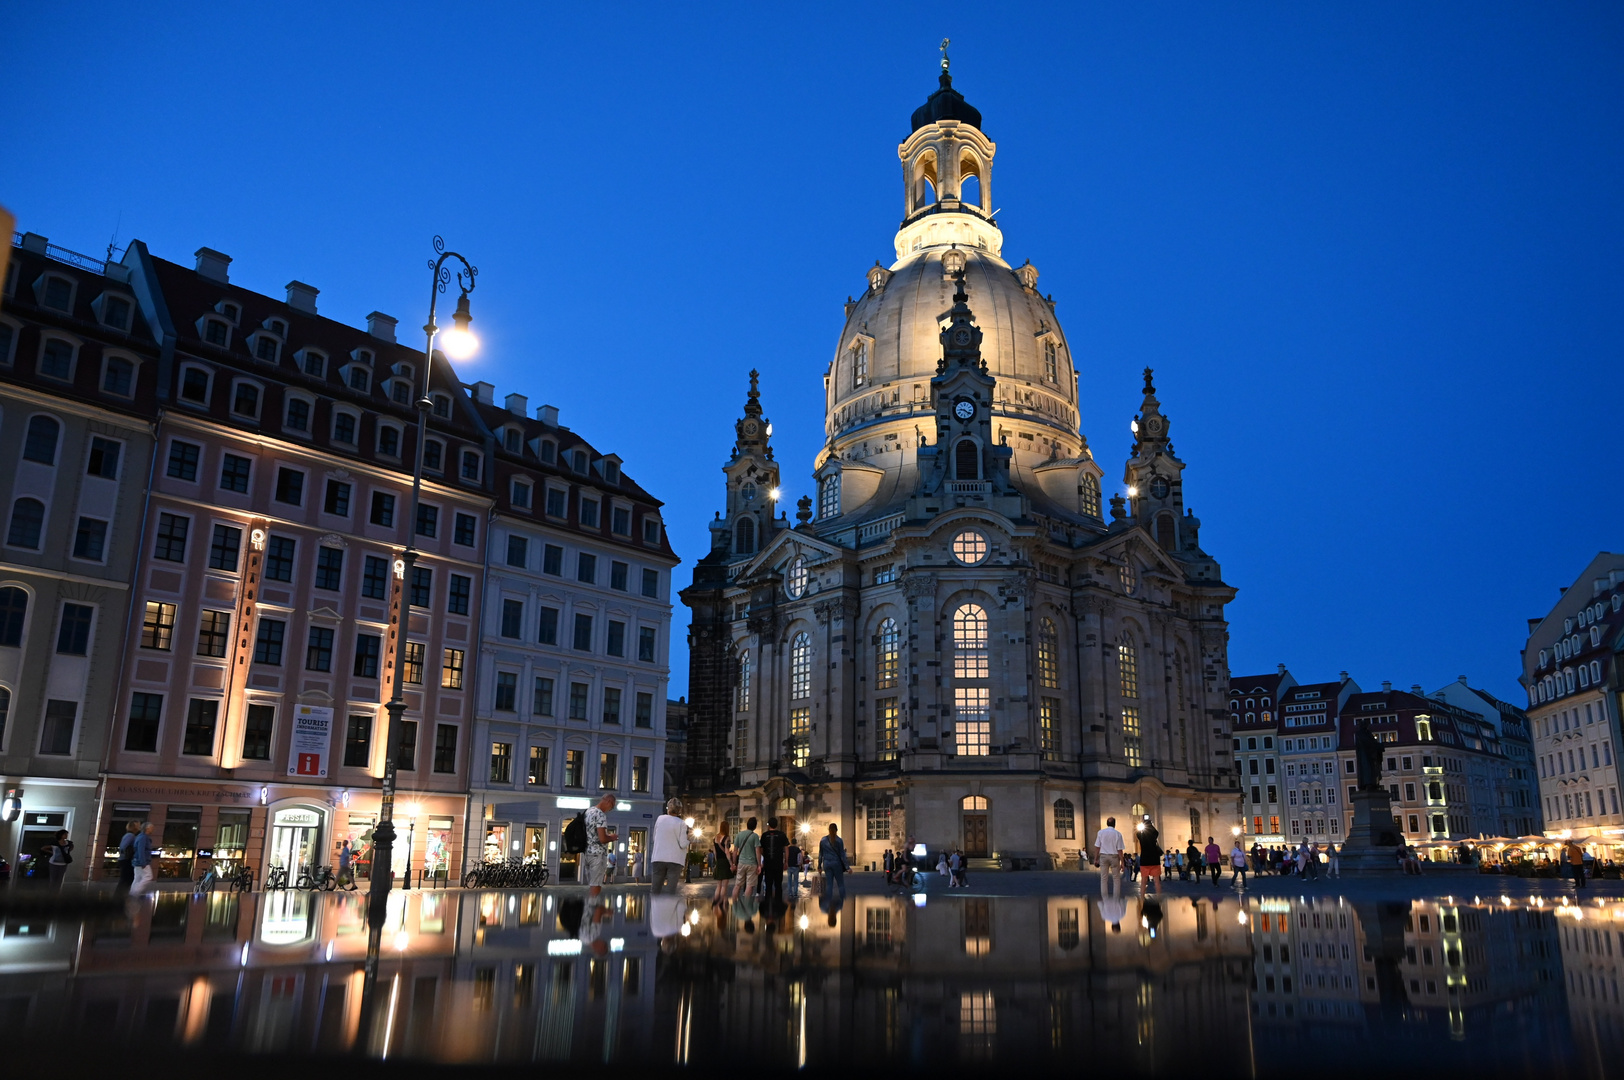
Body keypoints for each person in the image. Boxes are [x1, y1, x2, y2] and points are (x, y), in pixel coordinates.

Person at [650, 798, 691, 894]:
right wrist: (689, 839)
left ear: (668, 808)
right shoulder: (682, 823)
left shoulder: (660, 819)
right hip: (674, 859)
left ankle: (654, 908)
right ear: (679, 810)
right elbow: (682, 844)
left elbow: (654, 838)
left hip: (658, 857)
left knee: (655, 889)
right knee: (670, 891)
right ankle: (668, 908)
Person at [583, 791, 618, 898]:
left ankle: (591, 910)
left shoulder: (588, 811)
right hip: (597, 854)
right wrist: (612, 837)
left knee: (592, 883)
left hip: (587, 852)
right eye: (611, 806)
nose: (610, 810)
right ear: (608, 801)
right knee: (596, 885)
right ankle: (594, 908)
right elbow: (602, 839)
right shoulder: (600, 815)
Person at [759, 818, 788, 902]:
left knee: (768, 884)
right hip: (778, 863)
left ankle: (768, 904)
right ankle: (778, 904)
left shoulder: (764, 835)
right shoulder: (782, 834)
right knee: (778, 884)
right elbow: (786, 849)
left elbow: (760, 849)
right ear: (777, 825)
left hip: (768, 864)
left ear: (769, 825)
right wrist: (786, 861)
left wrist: (764, 856)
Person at [733, 816, 762, 899]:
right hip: (752, 864)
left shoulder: (739, 834)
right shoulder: (755, 836)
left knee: (737, 885)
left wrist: (734, 863)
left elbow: (735, 851)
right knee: (750, 885)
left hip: (741, 863)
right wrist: (759, 864)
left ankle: (735, 905)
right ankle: (746, 905)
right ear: (755, 826)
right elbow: (757, 851)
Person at [819, 823, 849, 899]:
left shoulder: (823, 840)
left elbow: (820, 854)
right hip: (836, 864)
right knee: (840, 884)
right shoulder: (839, 840)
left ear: (828, 830)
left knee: (829, 884)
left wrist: (819, 866)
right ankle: (842, 901)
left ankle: (829, 902)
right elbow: (842, 854)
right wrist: (847, 867)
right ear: (837, 830)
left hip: (826, 863)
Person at [710, 820, 736, 905]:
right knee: (724, 885)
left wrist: (717, 861)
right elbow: (727, 852)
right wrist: (731, 863)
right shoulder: (726, 838)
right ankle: (722, 903)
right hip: (725, 861)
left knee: (718, 885)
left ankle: (716, 902)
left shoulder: (715, 837)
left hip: (719, 861)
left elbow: (715, 852)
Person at [1137, 817, 1163, 897]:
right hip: (1155, 860)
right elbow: (1156, 832)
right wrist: (1151, 825)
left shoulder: (1141, 836)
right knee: (1157, 881)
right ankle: (1159, 897)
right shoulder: (1154, 835)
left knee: (1143, 881)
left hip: (1145, 860)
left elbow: (1137, 833)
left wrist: (1143, 827)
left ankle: (1142, 897)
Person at [131, 822, 156, 895]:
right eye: (151, 828)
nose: (153, 830)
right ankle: (135, 892)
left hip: (137, 861)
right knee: (148, 876)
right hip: (142, 861)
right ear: (147, 829)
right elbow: (141, 850)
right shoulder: (143, 837)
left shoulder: (140, 836)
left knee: (137, 879)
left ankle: (132, 894)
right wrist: (143, 862)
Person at [116, 820, 140, 893]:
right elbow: (124, 847)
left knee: (125, 879)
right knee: (126, 879)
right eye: (138, 825)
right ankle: (120, 896)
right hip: (127, 860)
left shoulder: (128, 835)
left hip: (124, 860)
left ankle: (120, 896)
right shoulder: (131, 836)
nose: (139, 827)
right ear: (134, 827)